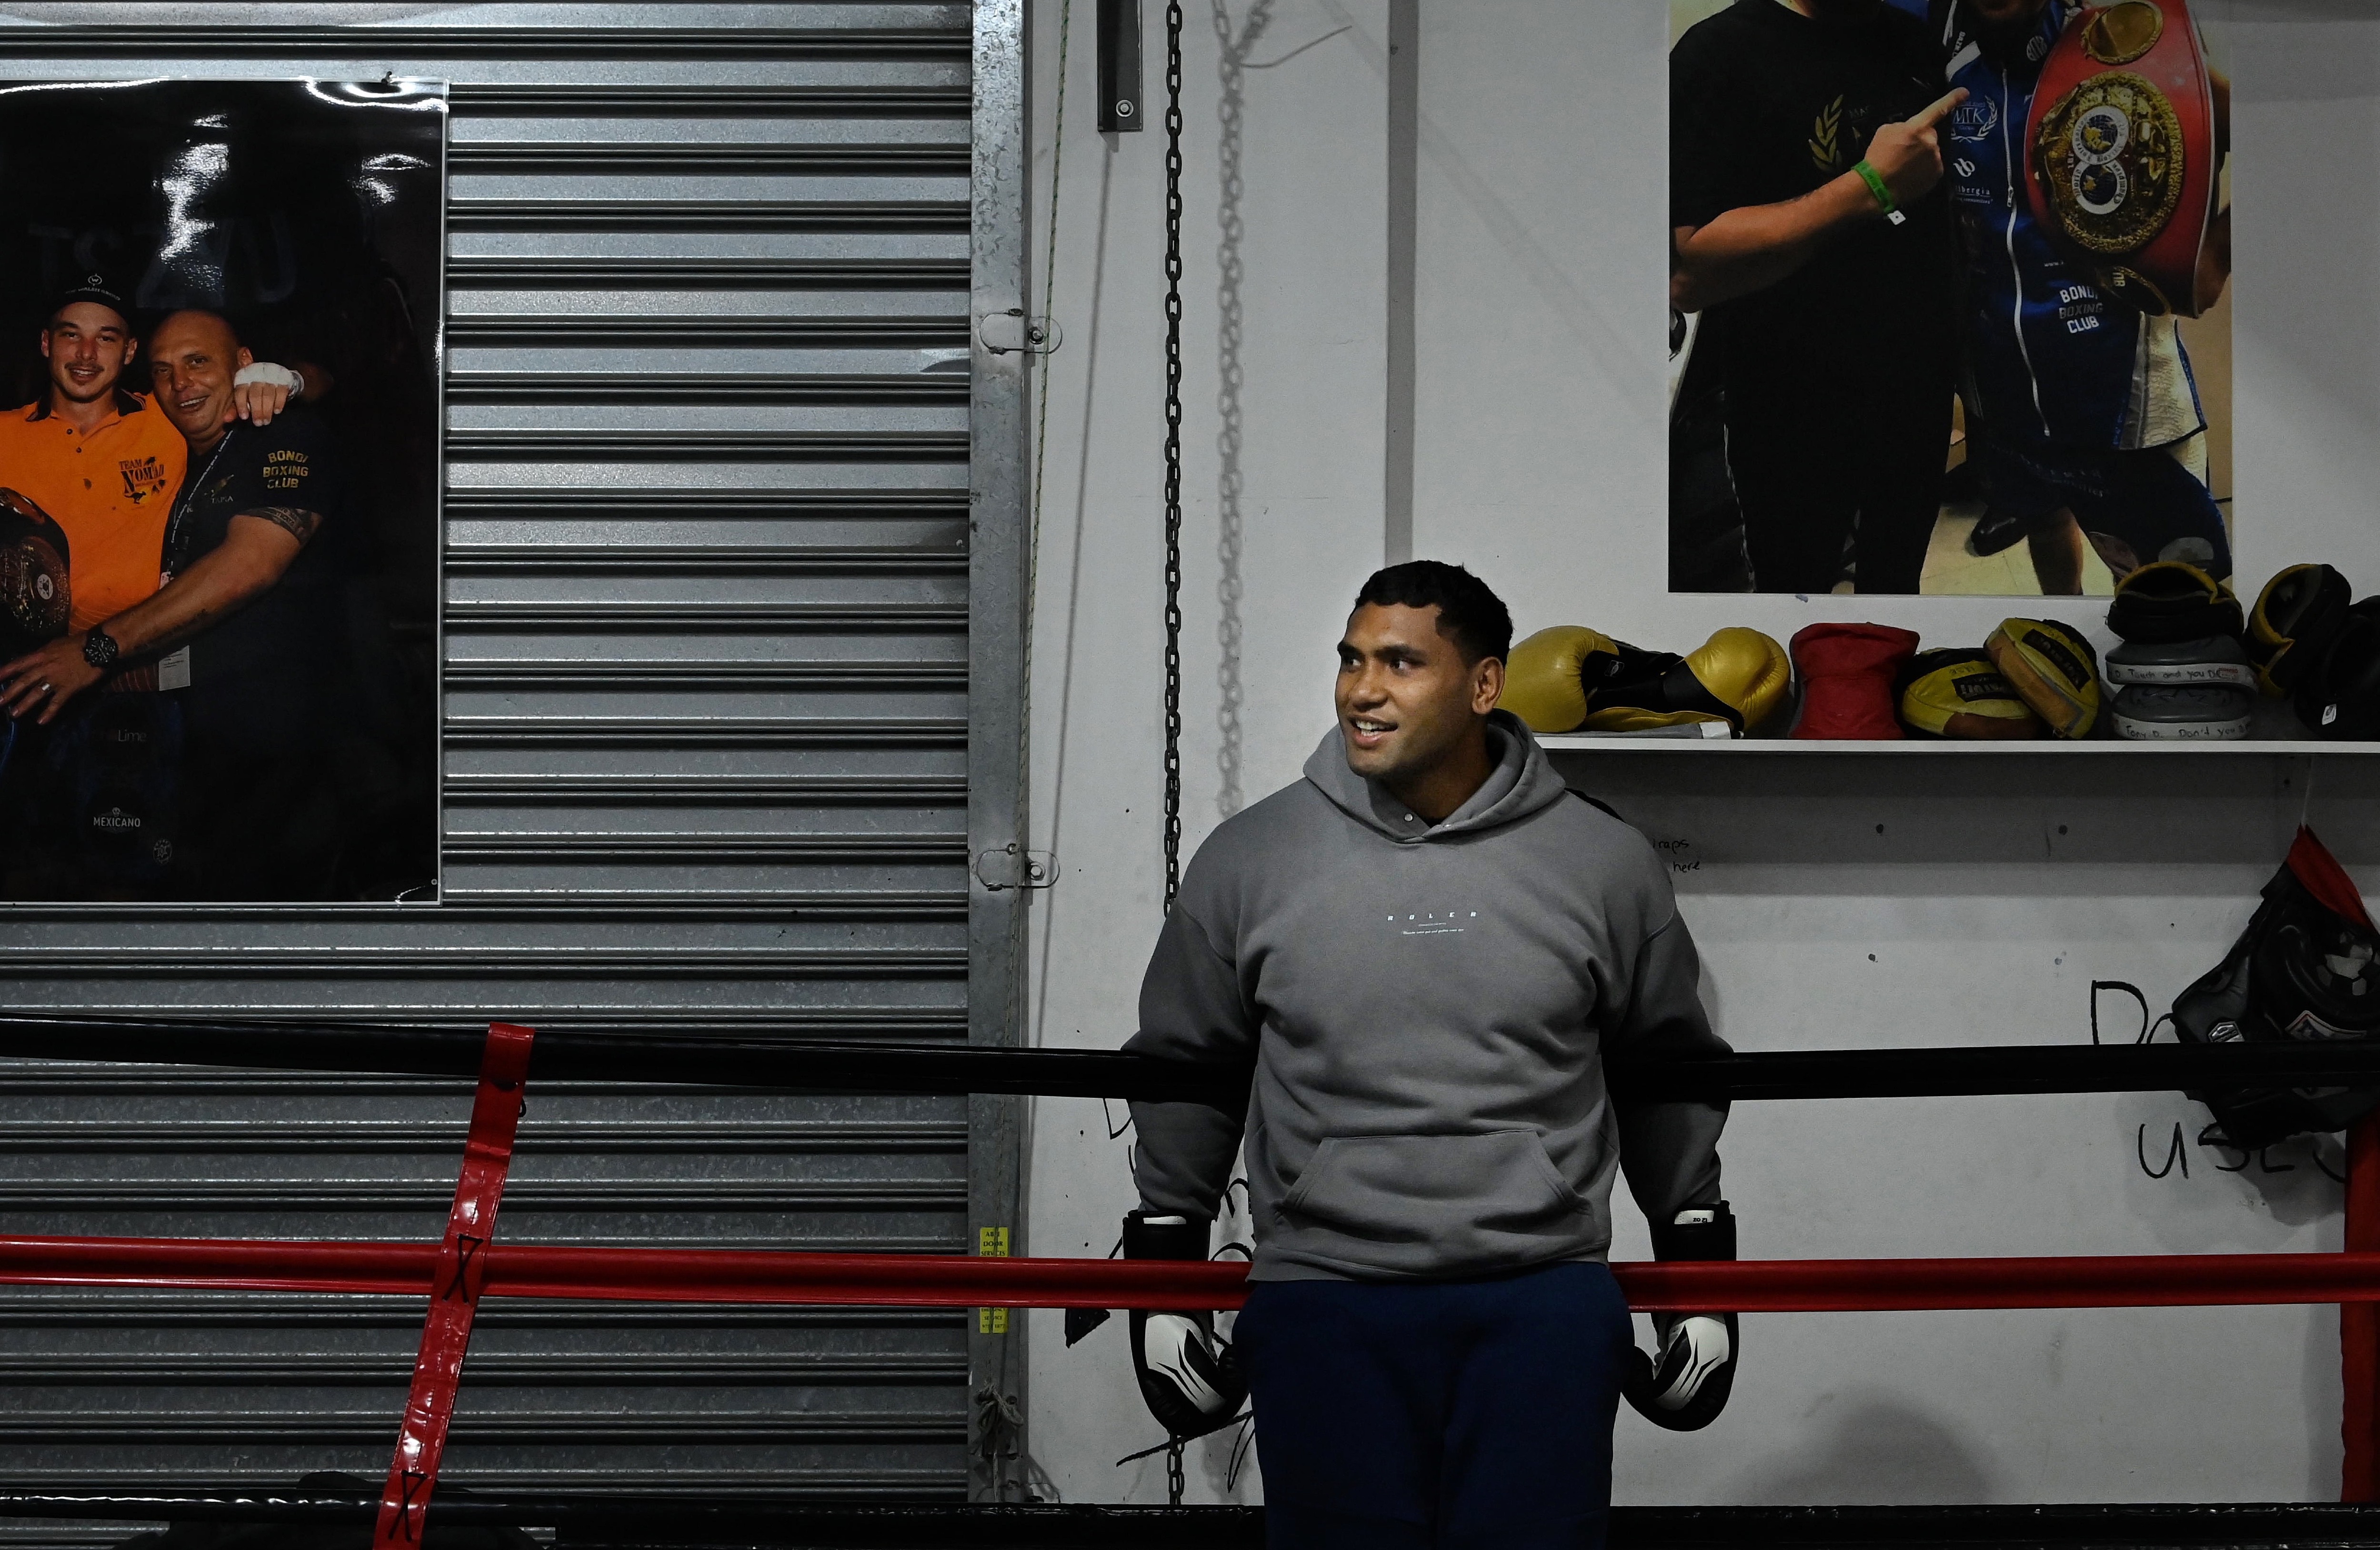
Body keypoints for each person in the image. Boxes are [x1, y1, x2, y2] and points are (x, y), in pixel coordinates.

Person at [1119, 561, 1736, 1548]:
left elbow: (1668, 1069)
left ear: (1484, 685)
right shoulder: (1251, 857)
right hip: (1324, 1296)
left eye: (1401, 662)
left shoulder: (1603, 862)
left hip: (1539, 1297)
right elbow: (1185, 1063)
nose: (1364, 688)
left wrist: (1702, 1281)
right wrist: (1161, 1274)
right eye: (1354, 660)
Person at [0, 308, 344, 896]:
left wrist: (100, 648)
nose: (180, 382)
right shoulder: (184, 441)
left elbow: (251, 565)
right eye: (164, 370)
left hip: (283, 734)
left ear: (243, 365)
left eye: (197, 362)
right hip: (184, 722)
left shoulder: (287, 432)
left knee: (255, 899)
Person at [1934, 0, 2234, 591]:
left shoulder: (2123, 48)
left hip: (2128, 401)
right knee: (2047, 526)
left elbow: (2289, 131)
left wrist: (2213, 260)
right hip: (2005, 388)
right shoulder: (1947, 68)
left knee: (2174, 590)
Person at [1671, 0, 1966, 595]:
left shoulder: (1914, 43)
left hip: (1914, 391)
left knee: (1896, 588)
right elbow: (1691, 262)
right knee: (1792, 593)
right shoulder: (1717, 54)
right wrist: (1872, 186)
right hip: (1787, 403)